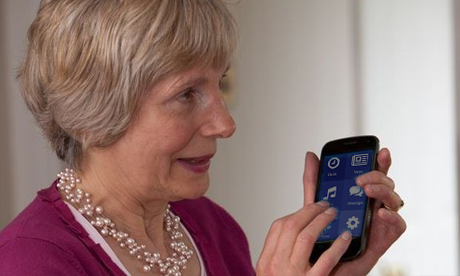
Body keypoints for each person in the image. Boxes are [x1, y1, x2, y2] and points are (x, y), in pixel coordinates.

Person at [0, 0, 406, 275]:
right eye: (186, 94)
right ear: (91, 111)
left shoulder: (214, 228)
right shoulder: (29, 260)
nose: (225, 124)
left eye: (220, 83)